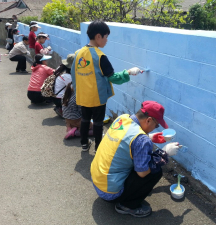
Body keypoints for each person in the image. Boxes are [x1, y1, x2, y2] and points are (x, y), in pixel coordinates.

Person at [91, 101, 182, 217]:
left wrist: (150, 136)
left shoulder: (123, 118)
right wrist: (164, 153)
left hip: (97, 181)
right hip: (110, 193)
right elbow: (143, 173)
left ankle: (129, 194)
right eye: (156, 125)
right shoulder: (142, 140)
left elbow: (126, 137)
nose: (155, 128)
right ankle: (127, 205)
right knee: (155, 170)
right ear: (149, 120)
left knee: (141, 160)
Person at [71, 20, 141, 152]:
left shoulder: (78, 53)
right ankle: (98, 148)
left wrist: (77, 91)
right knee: (98, 122)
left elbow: (74, 75)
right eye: (106, 37)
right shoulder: (100, 56)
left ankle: (84, 144)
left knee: (85, 119)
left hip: (83, 95)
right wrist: (129, 72)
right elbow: (113, 77)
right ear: (98, 36)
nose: (107, 40)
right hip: (97, 97)